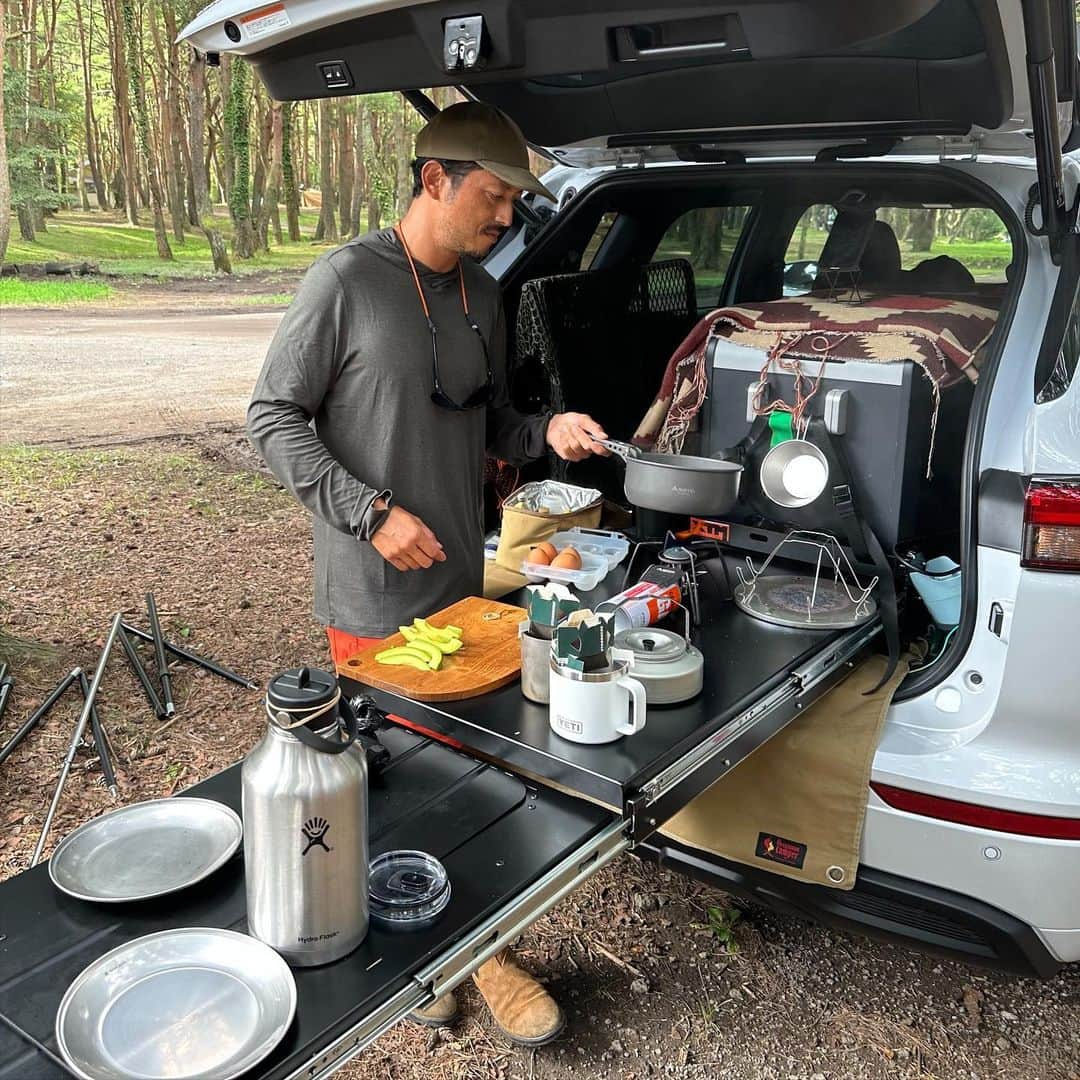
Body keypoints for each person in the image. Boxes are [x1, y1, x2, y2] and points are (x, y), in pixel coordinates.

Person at [248, 101, 609, 1047]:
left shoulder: (481, 295)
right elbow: (271, 418)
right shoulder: (346, 282)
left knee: (474, 779)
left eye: (513, 203)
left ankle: (451, 950)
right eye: (491, 198)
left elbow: (485, 428)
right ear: (434, 179)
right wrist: (369, 514)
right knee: (406, 782)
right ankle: (473, 963)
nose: (504, 219)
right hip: (373, 591)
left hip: (462, 582)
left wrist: (547, 436)